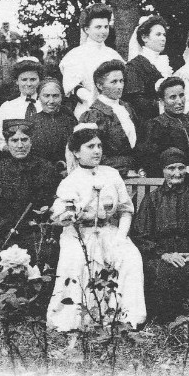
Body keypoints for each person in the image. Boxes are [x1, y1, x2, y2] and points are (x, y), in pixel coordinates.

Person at [46, 124, 146, 331]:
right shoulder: (70, 181)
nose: (97, 151)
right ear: (76, 152)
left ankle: (123, 317)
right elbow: (61, 216)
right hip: (78, 234)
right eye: (90, 146)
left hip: (111, 230)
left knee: (130, 258)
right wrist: (71, 213)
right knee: (77, 261)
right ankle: (78, 320)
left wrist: (120, 238)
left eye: (99, 146)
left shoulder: (111, 174)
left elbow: (126, 210)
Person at [130, 147, 189, 324]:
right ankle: (166, 322)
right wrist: (164, 254)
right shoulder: (152, 199)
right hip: (161, 254)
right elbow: (140, 234)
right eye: (171, 168)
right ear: (163, 170)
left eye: (181, 168)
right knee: (161, 272)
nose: (177, 173)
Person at [0, 119, 60, 260]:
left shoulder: (46, 169)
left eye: (24, 140)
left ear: (31, 142)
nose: (20, 145)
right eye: (14, 140)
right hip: (7, 236)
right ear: (7, 143)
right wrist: (5, 226)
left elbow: (53, 204)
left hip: (38, 235)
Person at [79, 60, 143, 177]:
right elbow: (91, 155)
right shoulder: (94, 115)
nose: (119, 86)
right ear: (99, 85)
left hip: (135, 173)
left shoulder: (127, 107)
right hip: (107, 175)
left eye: (121, 81)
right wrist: (123, 171)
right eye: (114, 82)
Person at [59, 3, 123, 116]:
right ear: (87, 29)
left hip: (114, 107)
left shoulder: (113, 55)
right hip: (88, 109)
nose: (103, 31)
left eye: (106, 27)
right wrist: (93, 101)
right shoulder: (75, 55)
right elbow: (74, 87)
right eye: (98, 27)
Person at [142, 76, 189, 178]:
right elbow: (151, 164)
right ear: (162, 101)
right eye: (173, 97)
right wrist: (185, 170)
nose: (179, 101)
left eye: (182, 95)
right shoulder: (155, 125)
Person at [124, 14, 173, 123]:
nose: (163, 38)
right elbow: (135, 101)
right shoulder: (134, 66)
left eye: (164, 35)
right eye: (158, 34)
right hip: (148, 123)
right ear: (144, 37)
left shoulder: (164, 63)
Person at [0, 57, 44, 152]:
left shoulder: (46, 104)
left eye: (33, 79)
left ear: (40, 80)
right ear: (17, 81)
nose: (28, 84)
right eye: (24, 79)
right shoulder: (7, 106)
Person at [28, 78, 78, 170]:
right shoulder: (32, 122)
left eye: (55, 96)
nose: (51, 101)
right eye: (46, 96)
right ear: (39, 97)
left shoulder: (70, 121)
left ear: (61, 97)